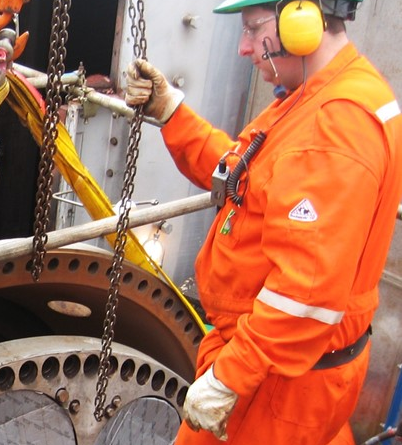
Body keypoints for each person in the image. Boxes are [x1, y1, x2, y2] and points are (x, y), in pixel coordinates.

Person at [124, 0, 401, 444]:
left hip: (277, 381)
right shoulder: (316, 96)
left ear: (303, 22)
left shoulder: (337, 124)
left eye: (253, 29)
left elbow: (306, 294)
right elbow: (247, 178)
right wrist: (173, 113)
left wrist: (229, 378)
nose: (243, 48)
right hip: (279, 365)